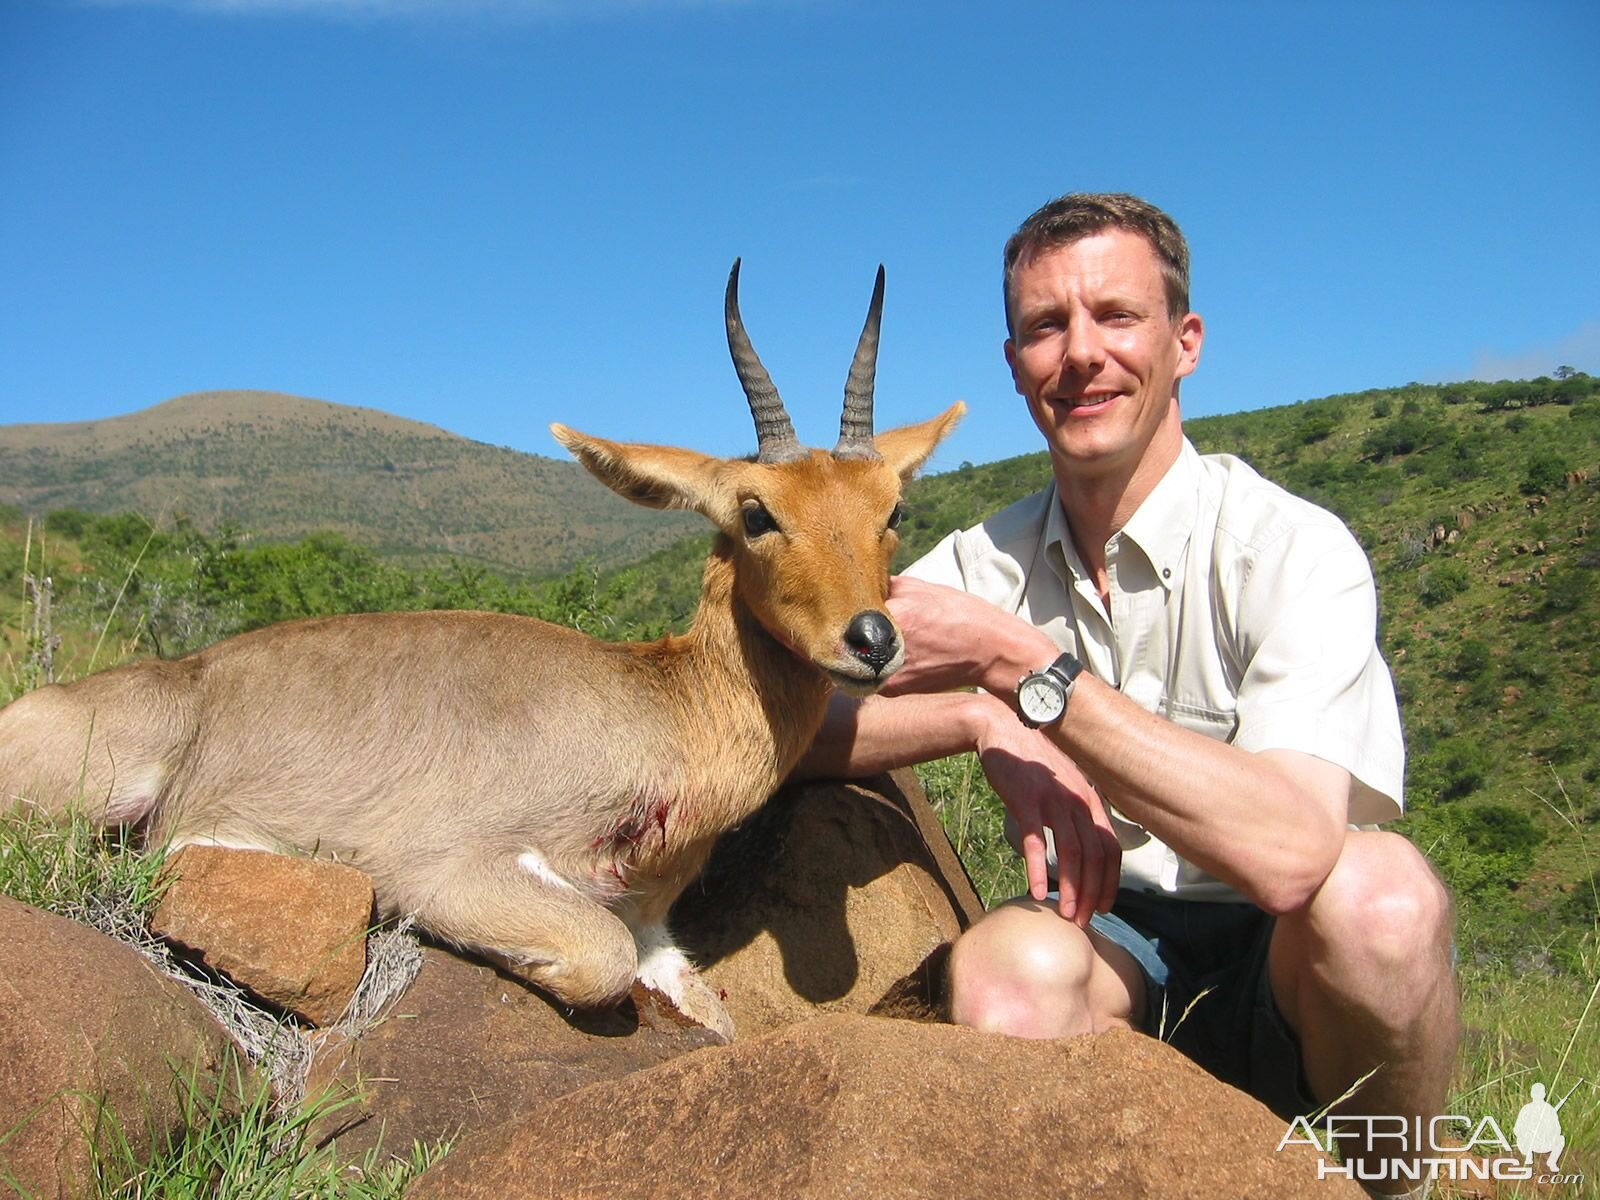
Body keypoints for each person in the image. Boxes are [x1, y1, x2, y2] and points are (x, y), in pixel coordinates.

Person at [800, 193, 1458, 1196]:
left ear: (1183, 343)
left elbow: (1289, 859)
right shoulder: (984, 561)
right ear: (1013, 363)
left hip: (1289, 960)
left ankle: (1393, 1183)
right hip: (1109, 942)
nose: (1080, 355)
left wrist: (1023, 674)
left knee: (1384, 904)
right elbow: (785, 721)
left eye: (1115, 316)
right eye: (1043, 328)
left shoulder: (1290, 547)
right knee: (1002, 976)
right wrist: (978, 718)